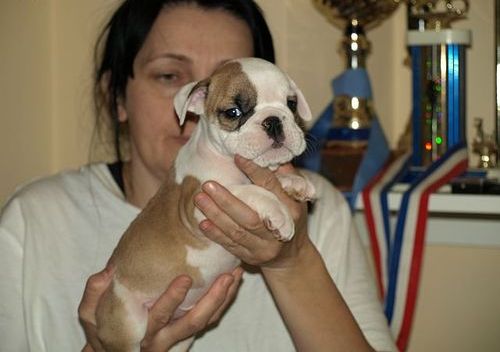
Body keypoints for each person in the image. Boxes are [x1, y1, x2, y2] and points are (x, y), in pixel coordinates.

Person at [0, 0, 397, 351]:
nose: (199, 104)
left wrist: (293, 262)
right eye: (169, 75)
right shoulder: (35, 220)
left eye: (230, 77)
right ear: (116, 95)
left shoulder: (318, 206)